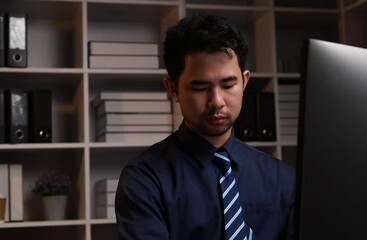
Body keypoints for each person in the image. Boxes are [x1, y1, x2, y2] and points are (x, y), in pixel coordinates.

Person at [115, 12, 295, 240]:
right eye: (200, 88)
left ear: (245, 81)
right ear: (173, 89)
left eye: (229, 84)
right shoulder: (144, 181)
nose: (217, 101)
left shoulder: (281, 178)